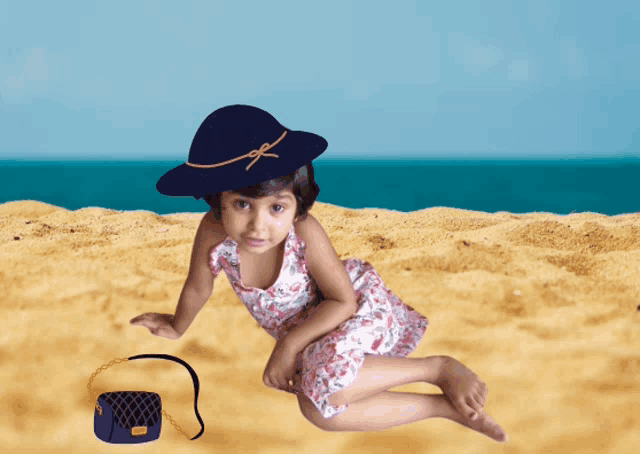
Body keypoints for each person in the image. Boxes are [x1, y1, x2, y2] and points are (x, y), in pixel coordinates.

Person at [129, 104, 508, 442]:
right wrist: (177, 326)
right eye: (242, 204)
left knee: (327, 389)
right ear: (217, 199)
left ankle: (437, 368)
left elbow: (343, 301)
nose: (258, 226)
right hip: (313, 338)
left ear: (296, 205)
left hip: (348, 311)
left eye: (276, 208)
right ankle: (445, 409)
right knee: (318, 412)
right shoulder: (213, 233)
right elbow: (198, 286)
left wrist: (288, 346)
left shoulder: (304, 232)